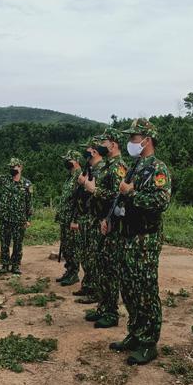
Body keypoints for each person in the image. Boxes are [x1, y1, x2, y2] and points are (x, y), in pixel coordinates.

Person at [109, 118, 171, 365]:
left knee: (145, 289)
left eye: (134, 138)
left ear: (147, 140)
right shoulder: (135, 166)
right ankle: (134, 334)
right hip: (128, 235)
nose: (130, 142)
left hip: (146, 238)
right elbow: (122, 197)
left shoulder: (158, 168)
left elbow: (161, 202)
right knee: (129, 288)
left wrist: (131, 193)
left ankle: (148, 343)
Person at [83, 127, 127, 328]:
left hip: (112, 226)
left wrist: (95, 190)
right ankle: (103, 307)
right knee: (101, 268)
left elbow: (120, 198)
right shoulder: (108, 165)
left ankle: (111, 312)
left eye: (104, 142)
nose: (100, 145)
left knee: (109, 270)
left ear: (113, 144)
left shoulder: (118, 167)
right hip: (101, 222)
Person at [72, 135, 106, 304]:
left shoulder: (102, 169)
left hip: (95, 219)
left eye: (87, 149)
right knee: (86, 254)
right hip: (87, 217)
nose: (85, 152)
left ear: (94, 151)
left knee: (94, 256)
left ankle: (95, 290)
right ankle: (88, 285)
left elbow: (100, 194)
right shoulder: (89, 169)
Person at [54, 150, 82, 286]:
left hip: (72, 219)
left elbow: (79, 201)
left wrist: (75, 220)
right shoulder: (70, 176)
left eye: (68, 159)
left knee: (73, 248)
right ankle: (69, 271)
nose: (66, 162)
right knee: (66, 247)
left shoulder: (80, 176)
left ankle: (74, 273)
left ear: (75, 161)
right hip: (64, 218)